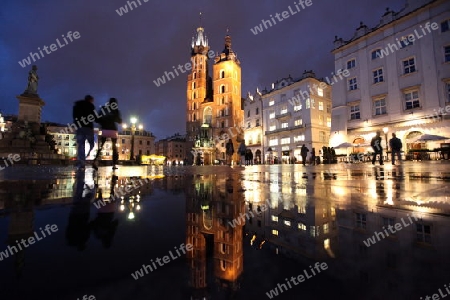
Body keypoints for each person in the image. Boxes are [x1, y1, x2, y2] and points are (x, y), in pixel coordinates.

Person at [93, 98, 122, 170]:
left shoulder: (104, 109)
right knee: (114, 147)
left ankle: (95, 161)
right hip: (113, 130)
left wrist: (102, 121)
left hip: (105, 129)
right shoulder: (116, 111)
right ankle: (114, 164)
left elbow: (97, 118)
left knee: (101, 146)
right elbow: (119, 121)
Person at [73, 95, 97, 169]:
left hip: (80, 127)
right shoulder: (91, 106)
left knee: (81, 145)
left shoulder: (76, 106)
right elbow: (94, 117)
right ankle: (87, 155)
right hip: (88, 127)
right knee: (92, 144)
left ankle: (82, 162)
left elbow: (74, 116)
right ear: (90, 100)